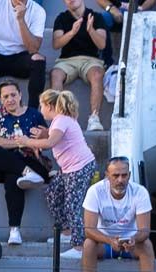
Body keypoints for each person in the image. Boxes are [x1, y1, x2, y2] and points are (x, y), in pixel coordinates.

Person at [12, 89, 95, 259]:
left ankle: (79, 246)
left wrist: (28, 141)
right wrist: (43, 135)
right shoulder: (60, 121)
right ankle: (66, 230)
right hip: (68, 169)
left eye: (42, 105)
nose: (40, 109)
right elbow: (53, 137)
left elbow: (50, 142)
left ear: (49, 106)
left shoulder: (61, 120)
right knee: (52, 192)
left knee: (73, 204)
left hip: (79, 167)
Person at [79, 156, 156, 272]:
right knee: (88, 244)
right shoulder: (95, 191)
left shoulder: (140, 192)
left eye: (124, 175)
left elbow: (144, 230)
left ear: (129, 174)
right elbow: (89, 229)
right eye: (115, 176)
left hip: (131, 244)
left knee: (147, 245)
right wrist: (109, 240)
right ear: (107, 175)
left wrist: (134, 240)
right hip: (104, 243)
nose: (120, 180)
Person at [0, 80, 46, 247]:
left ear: (20, 95)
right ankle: (25, 172)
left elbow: (46, 138)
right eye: (5, 96)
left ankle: (14, 230)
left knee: (13, 176)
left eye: (13, 95)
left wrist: (42, 135)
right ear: (1, 99)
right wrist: (22, 143)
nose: (10, 99)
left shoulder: (34, 114)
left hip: (28, 162)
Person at [50, 0, 106, 131]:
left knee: (98, 73)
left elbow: (102, 45)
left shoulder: (96, 17)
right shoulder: (61, 18)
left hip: (91, 60)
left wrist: (91, 30)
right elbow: (56, 44)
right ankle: (58, 119)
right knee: (55, 74)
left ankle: (94, 118)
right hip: (67, 60)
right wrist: (72, 32)